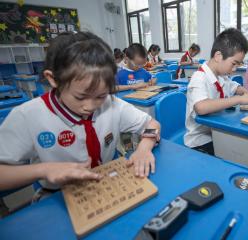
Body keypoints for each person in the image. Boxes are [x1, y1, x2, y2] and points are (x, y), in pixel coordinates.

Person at [0, 32, 160, 192]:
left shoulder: (112, 104)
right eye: (80, 97)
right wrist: (43, 170)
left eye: (100, 95)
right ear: (53, 78)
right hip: (59, 194)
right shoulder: (28, 115)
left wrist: (144, 148)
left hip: (109, 181)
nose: (90, 106)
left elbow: (152, 124)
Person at [184, 28, 248, 155]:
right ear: (218, 56)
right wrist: (239, 99)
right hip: (200, 141)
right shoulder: (199, 78)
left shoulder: (221, 76)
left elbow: (235, 87)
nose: (235, 69)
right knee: (237, 155)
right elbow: (201, 107)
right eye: (234, 64)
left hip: (217, 132)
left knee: (246, 148)